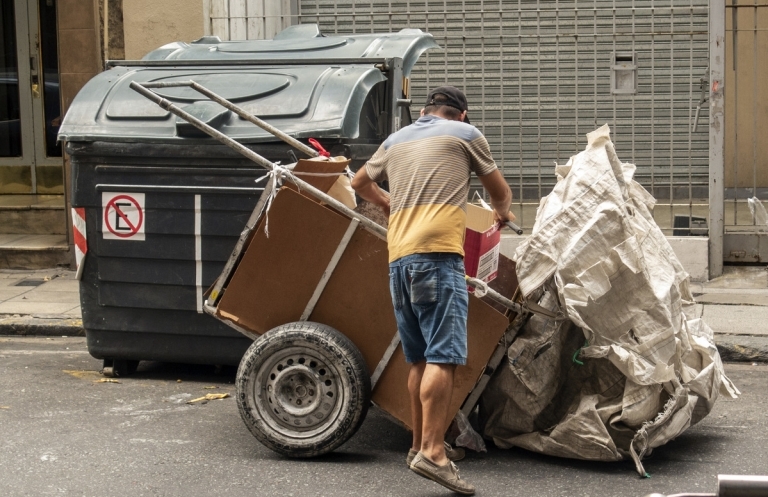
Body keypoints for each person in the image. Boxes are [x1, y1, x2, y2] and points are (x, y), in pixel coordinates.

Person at [351, 86, 515, 495]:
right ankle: (434, 453)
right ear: (461, 115)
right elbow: (499, 191)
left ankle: (416, 446)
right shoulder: (466, 134)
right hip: (438, 256)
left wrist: (388, 202)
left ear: (424, 112)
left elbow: (358, 182)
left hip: (400, 259)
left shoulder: (395, 139)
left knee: (420, 358)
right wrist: (502, 213)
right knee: (444, 356)